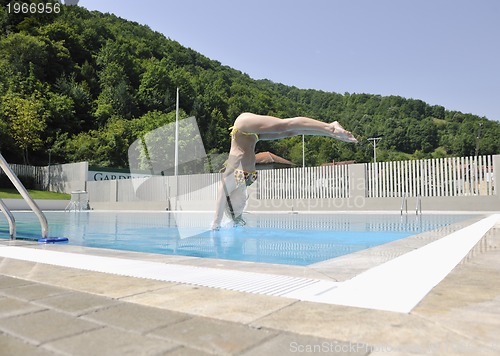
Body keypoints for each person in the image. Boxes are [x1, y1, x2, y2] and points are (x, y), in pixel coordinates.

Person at [211, 112, 358, 230]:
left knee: (284, 125)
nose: (242, 206)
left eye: (237, 208)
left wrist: (215, 225)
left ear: (229, 202)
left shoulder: (231, 180)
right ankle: (332, 133)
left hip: (243, 127)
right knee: (289, 132)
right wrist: (236, 220)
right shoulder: (243, 183)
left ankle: (331, 127)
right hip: (252, 136)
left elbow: (220, 196)